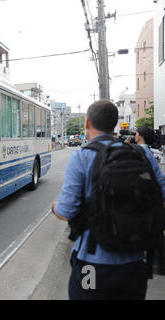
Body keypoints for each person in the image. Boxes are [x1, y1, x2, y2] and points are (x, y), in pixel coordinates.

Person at [51, 99, 165, 300]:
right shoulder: (142, 155)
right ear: (114, 124)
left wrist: (55, 207)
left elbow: (66, 211)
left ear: (87, 123)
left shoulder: (82, 157)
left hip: (92, 265)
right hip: (135, 263)